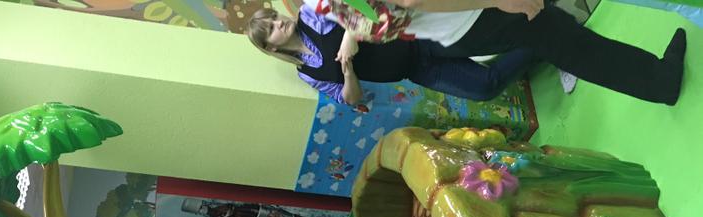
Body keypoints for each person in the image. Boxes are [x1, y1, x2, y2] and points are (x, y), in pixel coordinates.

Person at [304, 0, 688, 105]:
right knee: (568, 43)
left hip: (456, 26)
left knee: (565, 40)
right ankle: (660, 80)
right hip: (471, 15)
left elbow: (369, 20)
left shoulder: (311, 3)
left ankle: (658, 79)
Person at [246, 6, 539, 103]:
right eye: (271, 28)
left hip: (417, 37)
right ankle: (542, 43)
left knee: (492, 40)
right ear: (271, 47)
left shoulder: (310, 14)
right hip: (416, 71)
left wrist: (350, 36)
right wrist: (348, 73)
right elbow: (351, 98)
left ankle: (540, 20)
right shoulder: (307, 74)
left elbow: (359, 7)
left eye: (274, 17)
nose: (279, 22)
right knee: (484, 87)